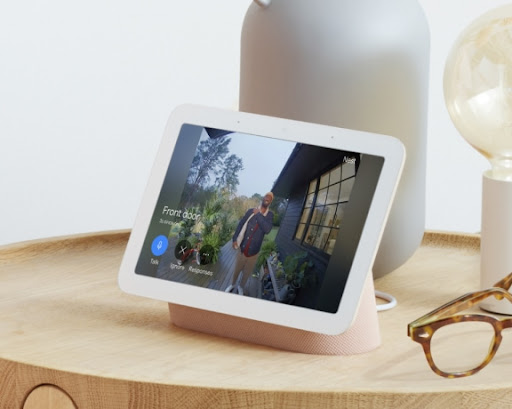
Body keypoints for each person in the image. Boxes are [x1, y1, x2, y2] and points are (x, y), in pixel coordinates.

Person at [225, 192, 274, 295]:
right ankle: (233, 284)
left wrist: (259, 214)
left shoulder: (269, 215)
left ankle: (241, 287)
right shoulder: (250, 211)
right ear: (263, 198)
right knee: (237, 269)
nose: (267, 199)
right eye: (266, 197)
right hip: (242, 247)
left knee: (247, 272)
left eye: (269, 198)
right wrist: (234, 239)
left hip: (254, 252)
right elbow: (241, 224)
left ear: (271, 201)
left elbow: (267, 229)